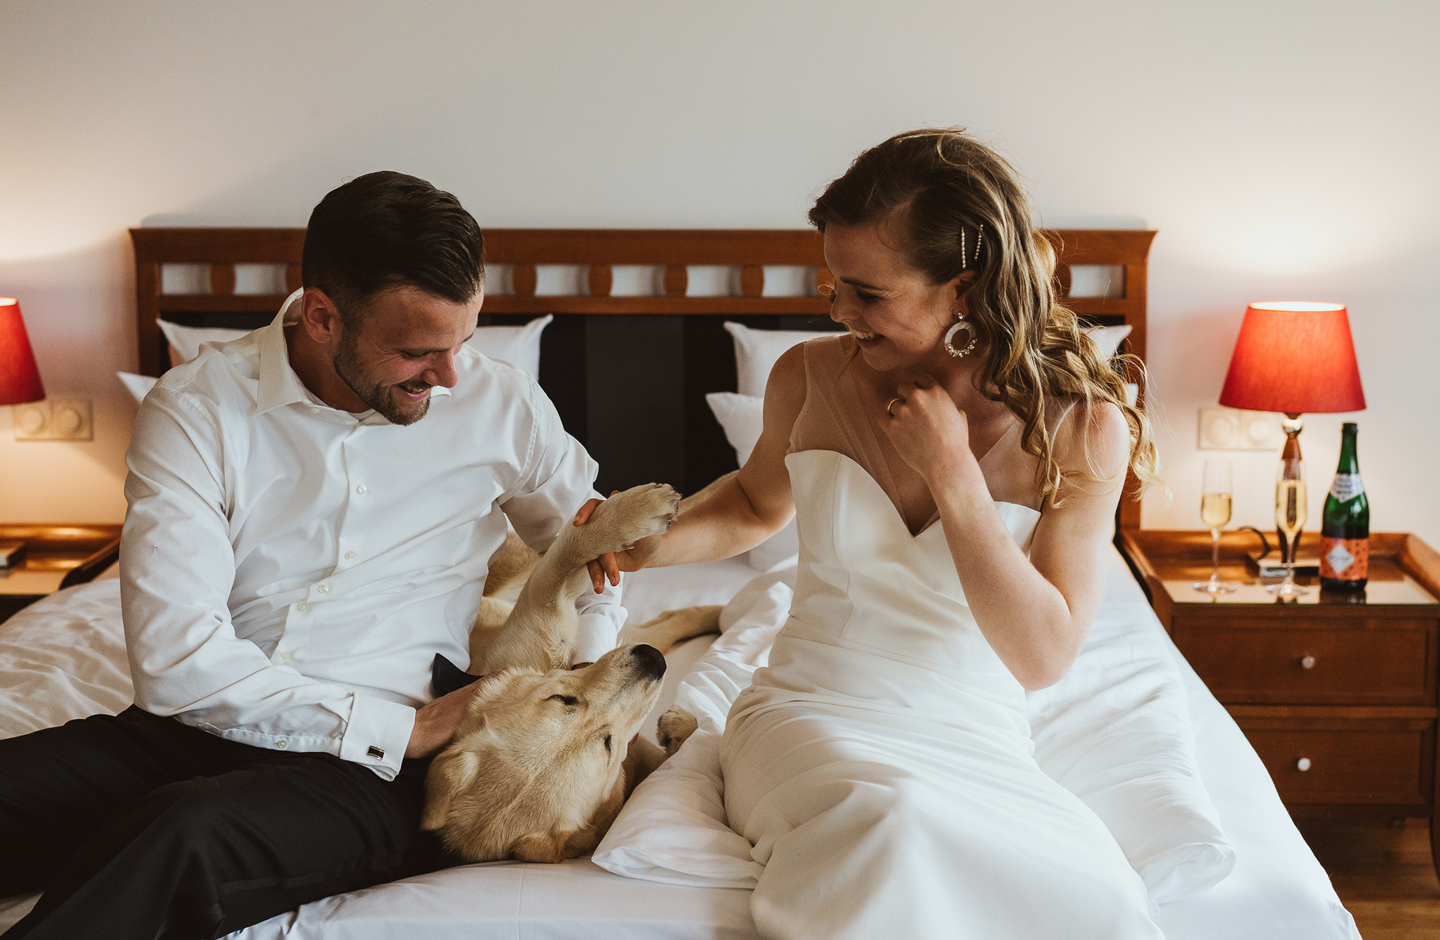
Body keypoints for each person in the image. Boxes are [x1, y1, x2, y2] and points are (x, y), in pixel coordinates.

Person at [0, 171, 622, 940]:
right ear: (322, 316)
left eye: (464, 340)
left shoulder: (505, 408)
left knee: (182, 831)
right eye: (419, 351)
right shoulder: (198, 408)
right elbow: (176, 659)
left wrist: (573, 689)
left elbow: (594, 553)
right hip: (199, 726)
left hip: (382, 765)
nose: (452, 375)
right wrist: (398, 728)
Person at [587, 128, 1166, 938]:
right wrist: (653, 541)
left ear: (961, 288)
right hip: (809, 710)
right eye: (831, 283)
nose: (836, 309)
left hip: (969, 734)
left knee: (1093, 898)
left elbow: (1044, 655)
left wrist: (953, 473)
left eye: (866, 292)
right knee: (895, 823)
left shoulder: (1081, 429)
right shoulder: (808, 378)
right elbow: (754, 506)